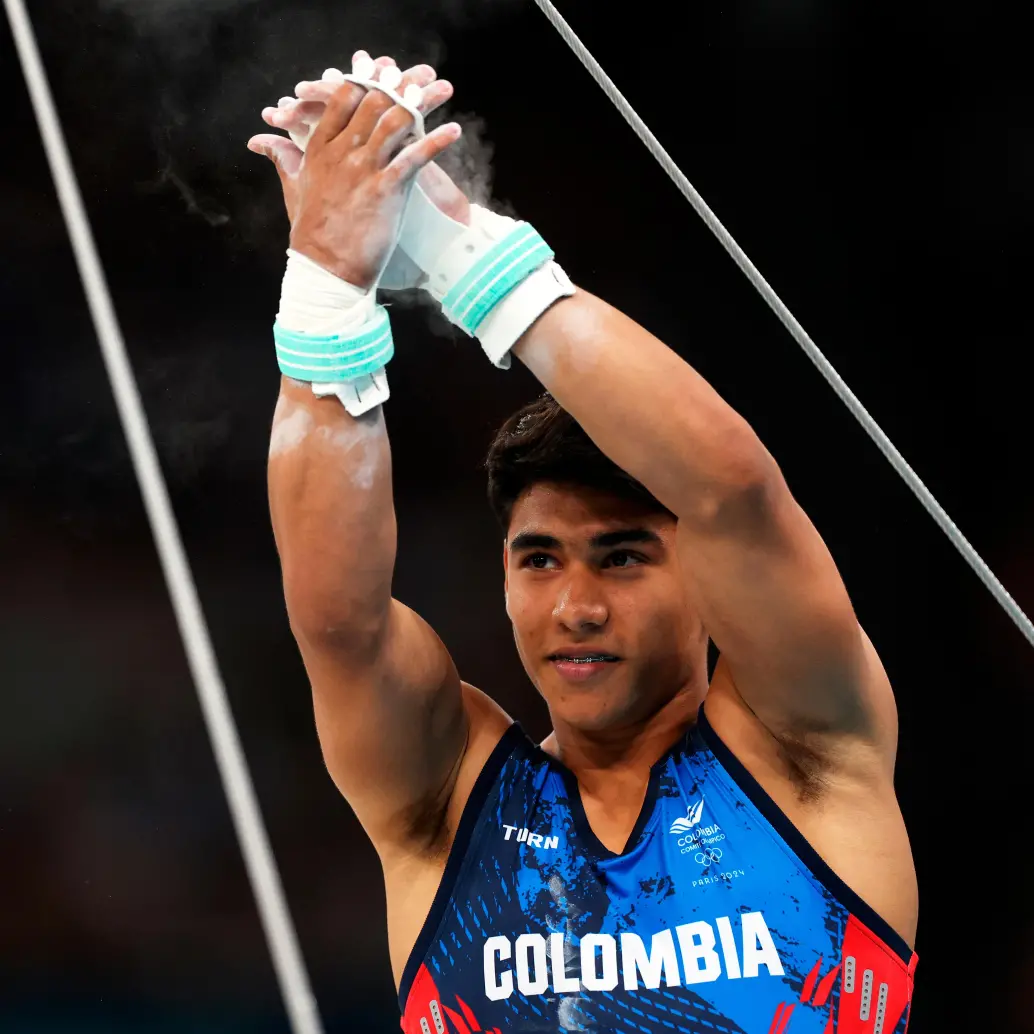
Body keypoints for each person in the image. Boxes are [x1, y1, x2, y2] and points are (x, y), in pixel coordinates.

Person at [249, 50, 918, 1034]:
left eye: (621, 555)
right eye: (538, 558)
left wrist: (461, 254)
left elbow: (729, 485)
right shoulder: (447, 800)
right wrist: (327, 283)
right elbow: (337, 620)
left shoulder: (803, 750)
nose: (576, 605)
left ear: (698, 571)